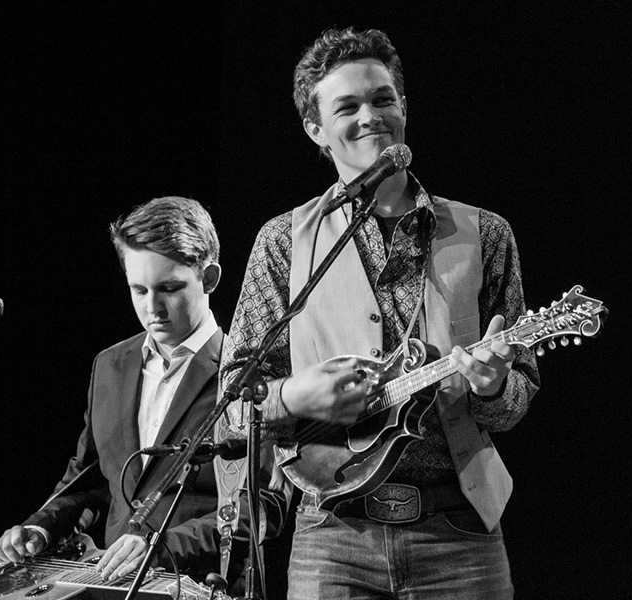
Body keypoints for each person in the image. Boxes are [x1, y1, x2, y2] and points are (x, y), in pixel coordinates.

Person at [218, 27, 541, 599]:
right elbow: (231, 407)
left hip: (460, 535)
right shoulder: (283, 243)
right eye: (347, 107)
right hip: (332, 537)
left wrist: (492, 386)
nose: (371, 116)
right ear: (315, 129)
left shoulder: (486, 234)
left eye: (383, 99)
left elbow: (517, 399)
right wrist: (293, 396)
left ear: (404, 108)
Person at [0, 196, 264, 590]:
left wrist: (162, 547)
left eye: (169, 288)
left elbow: (264, 505)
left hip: (201, 585)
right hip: (112, 587)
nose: (153, 308)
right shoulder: (110, 364)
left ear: (210, 278)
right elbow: (92, 480)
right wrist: (42, 527)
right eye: (139, 290)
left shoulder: (248, 373)